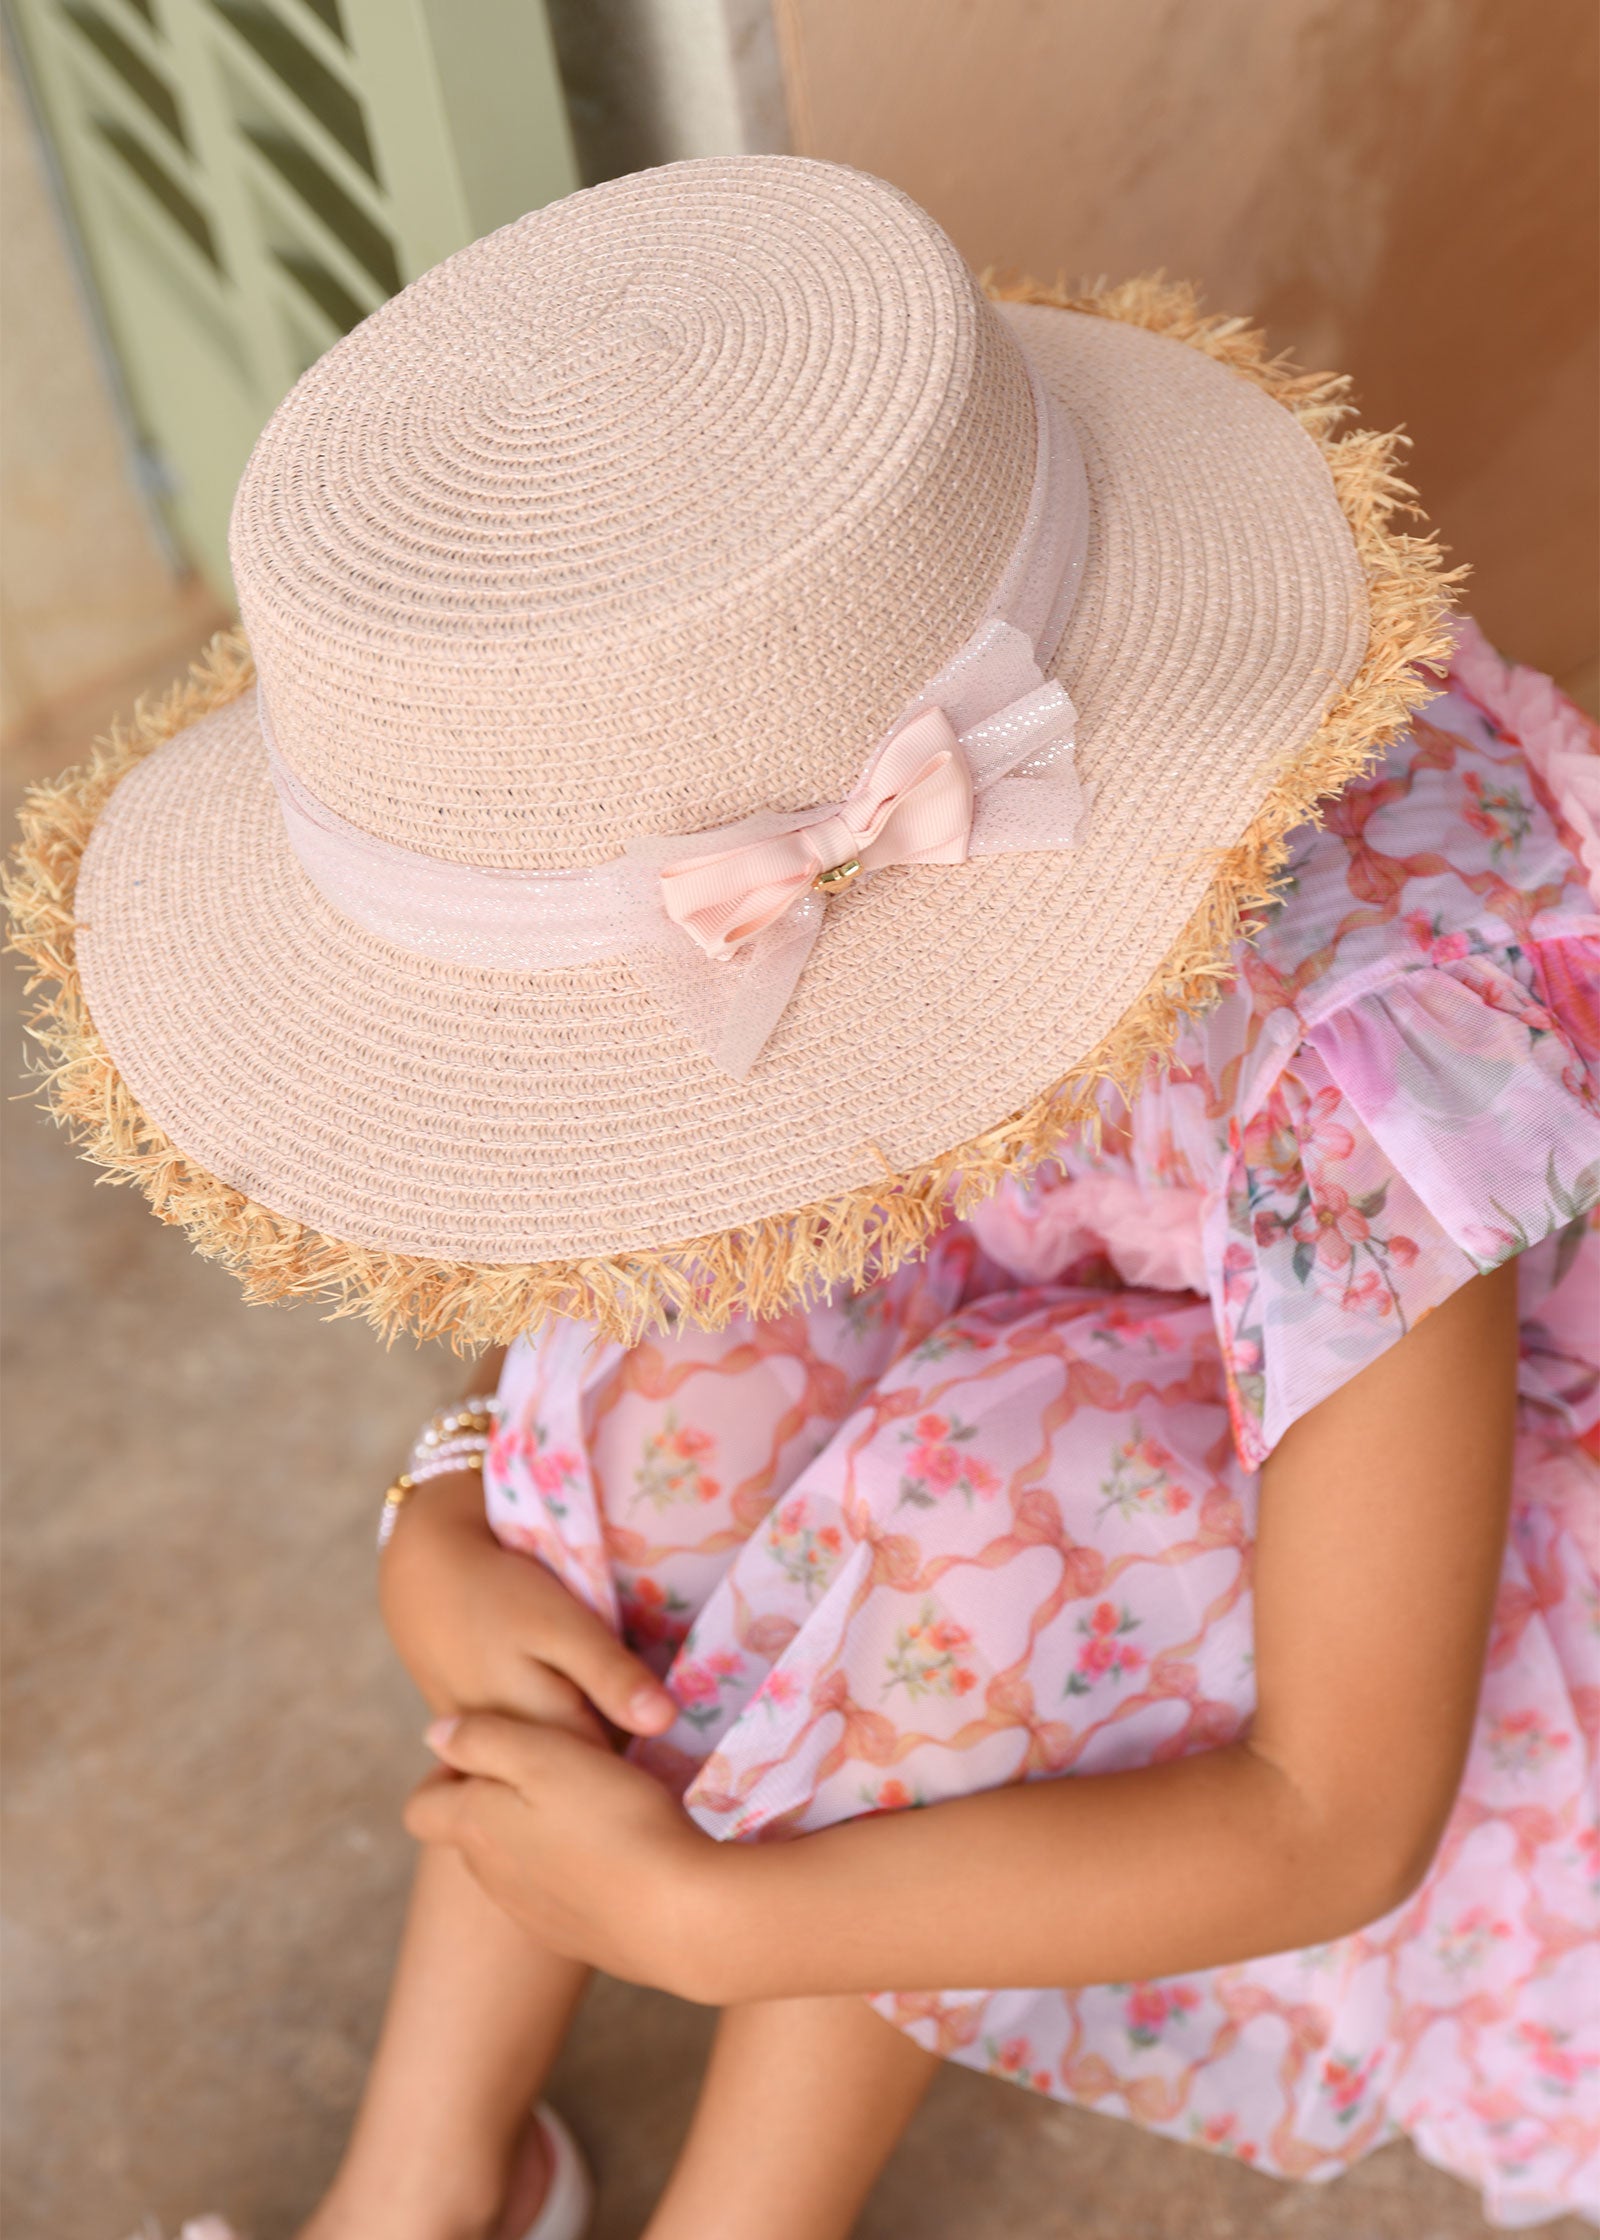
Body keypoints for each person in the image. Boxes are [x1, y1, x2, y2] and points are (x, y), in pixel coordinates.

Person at [11, 159, 1595, 2240]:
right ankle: (424, 2191)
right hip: (1072, 1345)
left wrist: (717, 1922)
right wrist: (450, 1506)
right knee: (643, 1400)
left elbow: (1333, 1812)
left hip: (1440, 1596)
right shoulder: (785, 867)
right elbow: (646, 1260)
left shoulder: (1358, 1050)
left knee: (974, 1500)